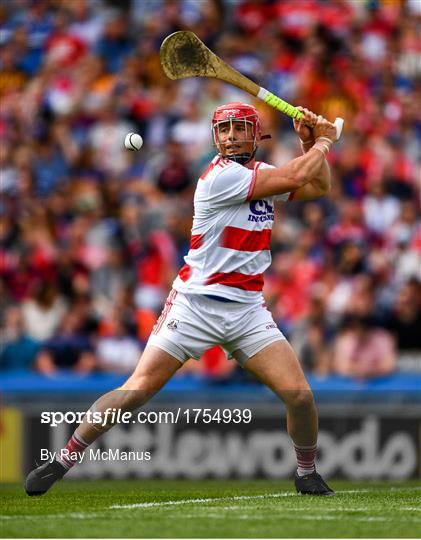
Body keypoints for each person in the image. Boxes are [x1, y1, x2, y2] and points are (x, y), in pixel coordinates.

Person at [25, 102, 338, 496]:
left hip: (246, 309)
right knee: (136, 389)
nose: (230, 137)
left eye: (239, 129)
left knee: (301, 396)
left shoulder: (262, 174)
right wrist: (322, 142)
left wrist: (307, 142)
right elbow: (299, 172)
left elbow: (319, 186)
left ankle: (306, 472)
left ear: (256, 135)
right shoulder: (219, 179)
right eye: (223, 131)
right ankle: (62, 459)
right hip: (194, 305)